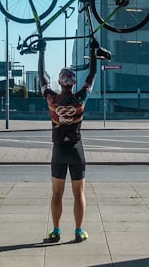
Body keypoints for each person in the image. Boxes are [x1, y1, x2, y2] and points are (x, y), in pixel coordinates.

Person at [39, 38, 108, 243]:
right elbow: (93, 75)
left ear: (60, 82)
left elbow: (42, 77)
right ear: (73, 82)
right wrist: (94, 54)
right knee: (79, 192)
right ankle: (79, 231)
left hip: (58, 150)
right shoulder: (80, 99)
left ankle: (56, 231)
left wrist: (42, 52)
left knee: (57, 193)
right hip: (77, 149)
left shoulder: (52, 99)